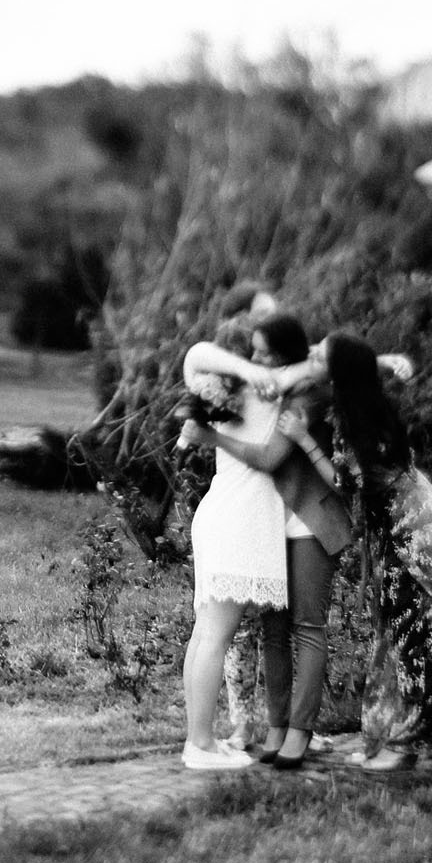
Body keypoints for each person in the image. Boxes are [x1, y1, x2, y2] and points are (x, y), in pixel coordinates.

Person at [183, 313, 419, 769]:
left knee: (292, 629)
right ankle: (239, 734)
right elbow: (208, 357)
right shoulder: (241, 390)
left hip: (290, 522)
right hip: (253, 524)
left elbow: (321, 374)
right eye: (250, 353)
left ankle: (288, 732)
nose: (256, 361)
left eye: (264, 354)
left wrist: (383, 361)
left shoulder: (297, 396)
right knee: (250, 634)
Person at [276, 334, 432, 772]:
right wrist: (386, 360)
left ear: (336, 372)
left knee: (413, 628)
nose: (310, 353)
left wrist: (302, 439)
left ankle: (406, 743)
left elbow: (347, 484)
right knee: (399, 627)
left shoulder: (356, 417)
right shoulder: (357, 401)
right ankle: (394, 735)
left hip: (412, 527)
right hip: (400, 520)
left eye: (319, 354)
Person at [174, 315, 290, 770]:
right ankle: (200, 745)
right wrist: (254, 370)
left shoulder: (226, 395)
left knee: (206, 634)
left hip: (222, 515)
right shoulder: (256, 392)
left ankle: (199, 738)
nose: (261, 359)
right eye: (254, 352)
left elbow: (197, 356)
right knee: (214, 636)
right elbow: (196, 354)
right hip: (236, 522)